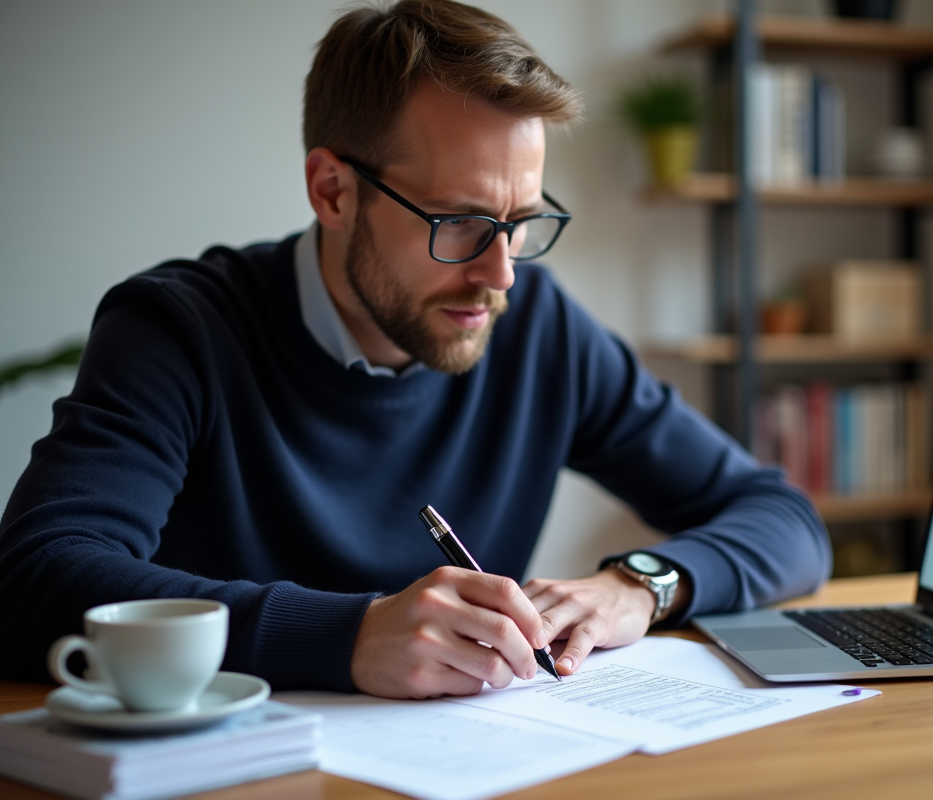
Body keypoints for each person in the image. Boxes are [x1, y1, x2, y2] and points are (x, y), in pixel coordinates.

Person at [0, 0, 830, 699]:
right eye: (460, 223)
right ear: (333, 190)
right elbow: (37, 575)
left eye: (522, 222)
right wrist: (348, 635)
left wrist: (639, 585)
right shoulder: (179, 329)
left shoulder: (536, 324)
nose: (498, 275)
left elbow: (787, 522)